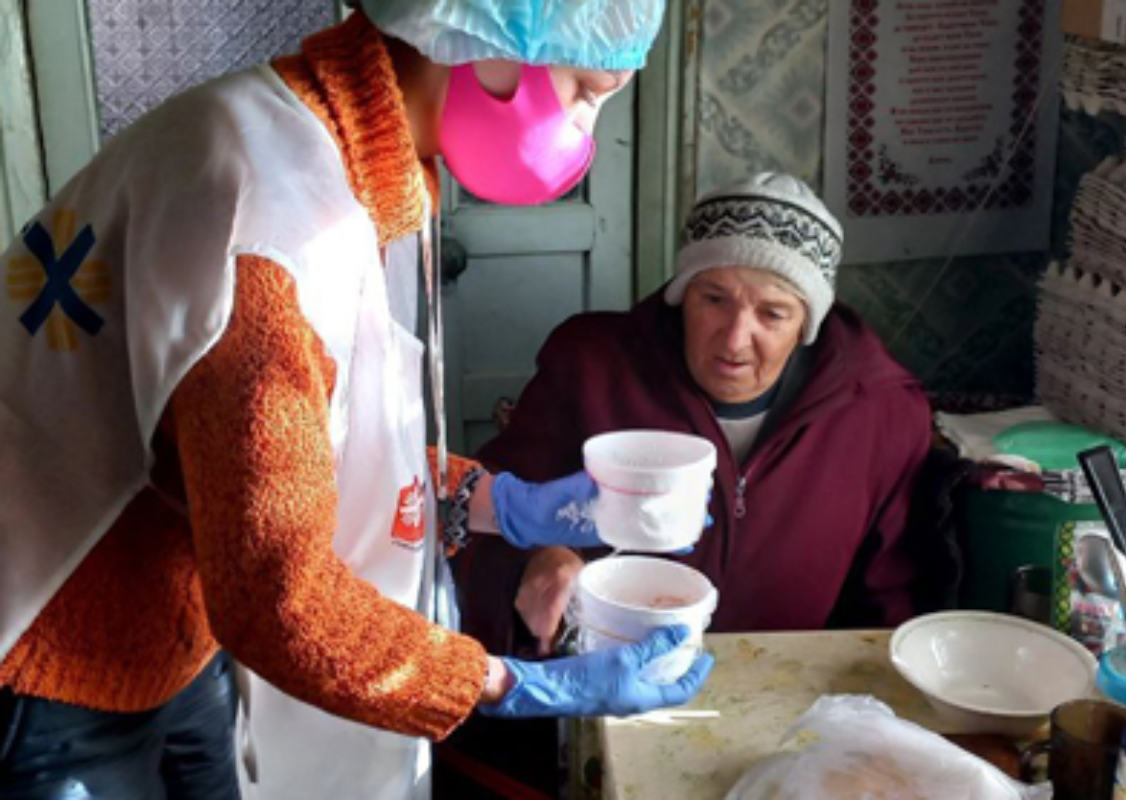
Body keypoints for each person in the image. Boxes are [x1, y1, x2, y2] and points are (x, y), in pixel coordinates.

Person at [0, 2, 714, 799]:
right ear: (486, 41)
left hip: (174, 619)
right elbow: (280, 600)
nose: (583, 137)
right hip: (44, 641)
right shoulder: (271, 217)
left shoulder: (325, 148)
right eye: (586, 89)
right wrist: (515, 685)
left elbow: (319, 441)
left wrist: (497, 502)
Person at [455, 173, 934, 660]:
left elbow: (892, 603)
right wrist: (540, 556)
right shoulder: (588, 368)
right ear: (682, 294)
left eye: (772, 314)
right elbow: (479, 518)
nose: (733, 339)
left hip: (788, 697)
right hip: (604, 678)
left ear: (808, 324)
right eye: (714, 299)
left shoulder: (882, 413)